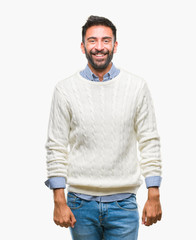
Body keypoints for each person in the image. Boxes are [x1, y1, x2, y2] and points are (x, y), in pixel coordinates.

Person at [44, 15, 162, 240]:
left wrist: (153, 192)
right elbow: (56, 146)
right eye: (92, 41)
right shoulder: (65, 90)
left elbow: (149, 140)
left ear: (115, 45)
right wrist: (58, 200)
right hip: (80, 204)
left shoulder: (136, 87)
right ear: (83, 46)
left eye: (106, 40)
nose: (99, 47)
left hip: (124, 204)